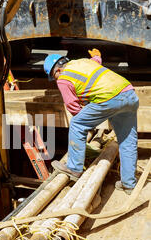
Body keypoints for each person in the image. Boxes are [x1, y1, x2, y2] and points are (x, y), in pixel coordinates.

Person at [43, 49, 139, 194]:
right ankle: (128, 184)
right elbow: (96, 61)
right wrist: (96, 55)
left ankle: (74, 168)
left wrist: (86, 122)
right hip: (129, 94)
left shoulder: (63, 78)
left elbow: (73, 107)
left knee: (76, 124)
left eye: (53, 76)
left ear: (57, 70)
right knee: (127, 140)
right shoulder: (83, 62)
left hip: (109, 99)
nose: (55, 79)